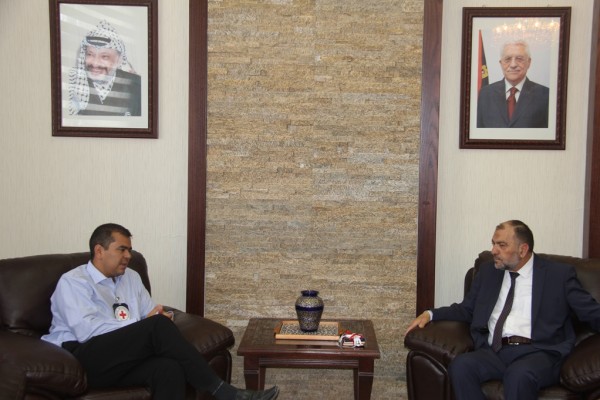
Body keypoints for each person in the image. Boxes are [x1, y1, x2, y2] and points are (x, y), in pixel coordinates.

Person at [42, 223, 279, 400]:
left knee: (168, 368)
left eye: (130, 250)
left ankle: (223, 392)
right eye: (121, 249)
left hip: (119, 358)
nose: (128, 256)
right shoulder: (74, 282)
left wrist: (156, 319)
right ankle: (223, 392)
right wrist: (146, 323)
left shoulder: (131, 277)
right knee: (156, 326)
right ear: (99, 250)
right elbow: (87, 330)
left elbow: (149, 314)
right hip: (82, 358)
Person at [405, 220, 600, 400]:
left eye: (502, 245)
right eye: (493, 244)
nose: (494, 251)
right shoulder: (488, 272)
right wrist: (431, 314)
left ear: (523, 250)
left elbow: (591, 312)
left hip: (540, 352)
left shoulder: (558, 276)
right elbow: (467, 309)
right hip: (496, 351)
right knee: (461, 366)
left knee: (518, 375)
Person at [68, 20, 142, 116]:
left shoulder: (137, 86)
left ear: (118, 60)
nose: (95, 63)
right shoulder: (73, 83)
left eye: (104, 57)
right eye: (90, 54)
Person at [477, 40, 549, 128]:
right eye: (507, 59)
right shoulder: (485, 93)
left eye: (519, 59)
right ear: (501, 63)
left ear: (529, 62)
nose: (513, 65)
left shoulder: (545, 95)